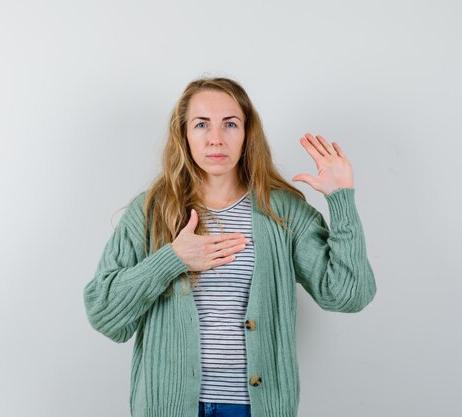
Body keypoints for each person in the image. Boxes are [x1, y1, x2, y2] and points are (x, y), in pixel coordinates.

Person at [83, 77, 376, 417]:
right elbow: (103, 313)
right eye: (202, 124)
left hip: (254, 407)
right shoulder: (151, 211)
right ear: (184, 135)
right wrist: (172, 258)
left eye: (230, 124)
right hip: (169, 406)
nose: (216, 138)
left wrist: (341, 199)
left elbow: (349, 294)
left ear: (247, 134)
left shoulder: (282, 211)